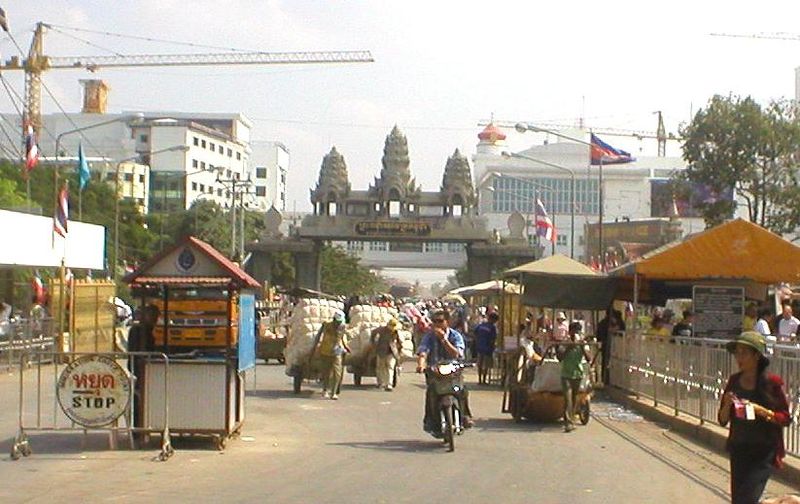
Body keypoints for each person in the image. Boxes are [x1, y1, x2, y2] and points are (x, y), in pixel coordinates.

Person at [718, 331, 791, 504]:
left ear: (756, 356)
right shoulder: (734, 381)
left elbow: (785, 418)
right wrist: (727, 404)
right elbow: (722, 420)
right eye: (737, 352)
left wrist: (763, 412)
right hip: (739, 448)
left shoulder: (772, 383)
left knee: (747, 499)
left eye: (744, 353)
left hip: (763, 451)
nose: (739, 357)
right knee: (739, 500)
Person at [416, 309, 473, 435]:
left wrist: (443, 339)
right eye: (434, 321)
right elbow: (423, 351)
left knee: (462, 391)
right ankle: (430, 421)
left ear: (447, 322)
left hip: (453, 371)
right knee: (431, 392)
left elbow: (457, 354)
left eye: (440, 321)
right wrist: (421, 364)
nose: (437, 324)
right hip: (435, 371)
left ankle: (465, 416)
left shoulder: (455, 336)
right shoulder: (429, 336)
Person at [559, 322, 592, 433]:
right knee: (568, 398)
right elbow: (559, 357)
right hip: (566, 375)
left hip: (577, 374)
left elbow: (588, 358)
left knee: (573, 398)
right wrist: (569, 347)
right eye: (574, 331)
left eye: (577, 331)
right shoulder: (565, 342)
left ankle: (571, 418)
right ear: (570, 332)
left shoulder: (582, 343)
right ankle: (568, 422)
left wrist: (582, 347)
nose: (575, 333)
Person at [312, 310, 350, 400]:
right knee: (326, 372)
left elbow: (342, 338)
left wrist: (346, 347)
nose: (339, 323)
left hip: (337, 352)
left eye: (340, 321)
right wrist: (314, 347)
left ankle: (333, 393)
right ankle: (325, 390)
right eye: (337, 321)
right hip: (325, 350)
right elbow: (318, 335)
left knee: (337, 372)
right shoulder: (326, 325)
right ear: (334, 319)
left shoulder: (343, 327)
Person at [370, 318, 402, 391]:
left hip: (392, 352)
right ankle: (380, 383)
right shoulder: (380, 330)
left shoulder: (396, 331)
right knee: (380, 367)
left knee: (390, 367)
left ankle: (389, 384)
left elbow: (399, 341)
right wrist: (374, 344)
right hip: (381, 351)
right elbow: (373, 334)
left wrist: (399, 350)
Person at [596, 307, 625, 384]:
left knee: (612, 362)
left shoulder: (617, 322)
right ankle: (606, 379)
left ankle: (609, 379)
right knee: (607, 362)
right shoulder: (604, 323)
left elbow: (622, 330)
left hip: (614, 345)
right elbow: (599, 335)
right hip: (608, 344)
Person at [473, 312, 498, 385]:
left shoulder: (481, 325)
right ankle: (483, 380)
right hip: (487, 348)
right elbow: (493, 338)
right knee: (485, 364)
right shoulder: (492, 327)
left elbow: (475, 333)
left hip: (480, 346)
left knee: (480, 364)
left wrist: (478, 341)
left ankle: (480, 380)